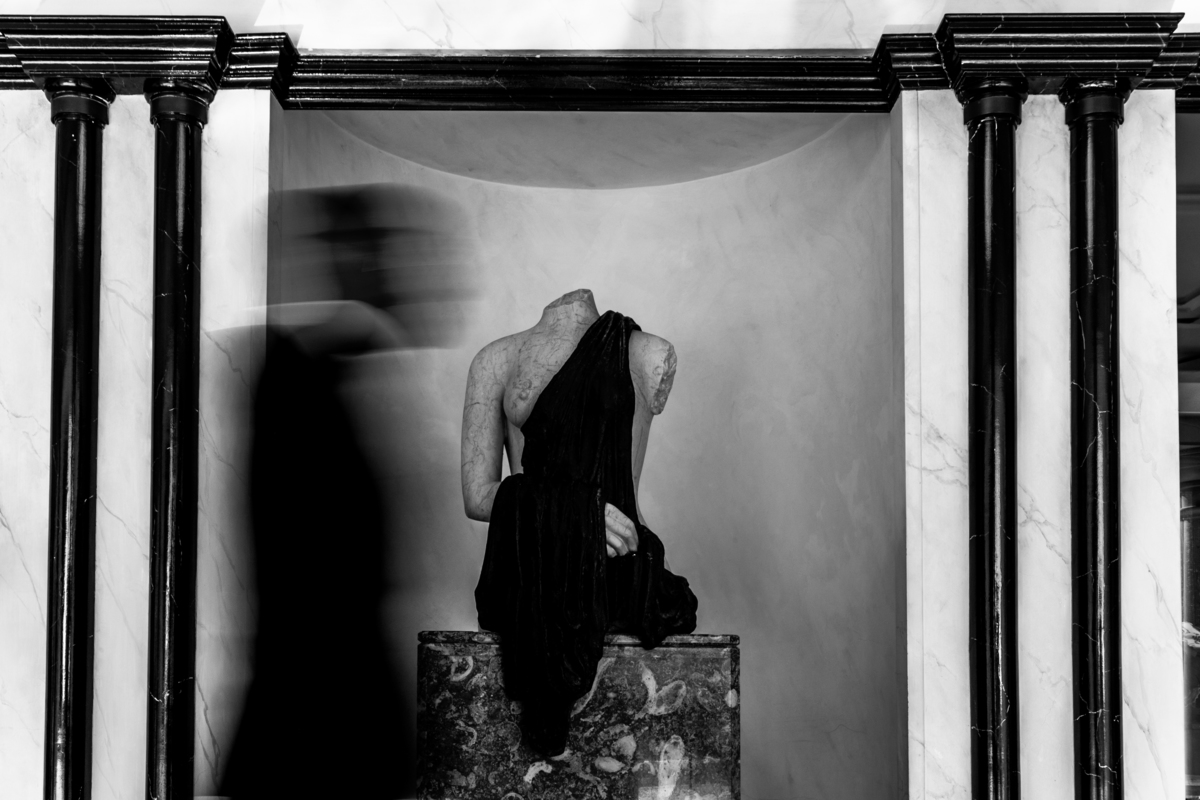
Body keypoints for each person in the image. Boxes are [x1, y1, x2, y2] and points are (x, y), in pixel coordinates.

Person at [462, 288, 698, 755]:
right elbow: (476, 495)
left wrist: (588, 521)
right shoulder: (495, 360)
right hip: (531, 570)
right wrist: (585, 516)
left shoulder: (645, 352)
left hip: (618, 566)